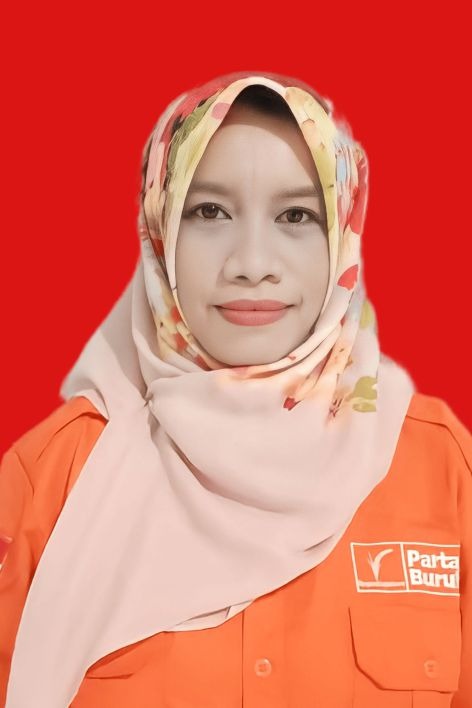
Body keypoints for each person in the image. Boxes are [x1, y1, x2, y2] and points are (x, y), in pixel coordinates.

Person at [0, 70, 470, 707]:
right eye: (210, 212)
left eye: (296, 215)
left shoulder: (441, 467)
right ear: (160, 228)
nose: (252, 263)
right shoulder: (50, 482)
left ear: (343, 234)